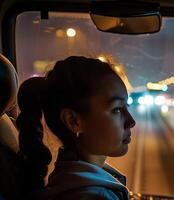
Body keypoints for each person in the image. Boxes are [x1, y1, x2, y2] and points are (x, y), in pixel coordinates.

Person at [16, 56, 136, 200]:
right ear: (73, 121)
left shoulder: (68, 179)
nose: (131, 121)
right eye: (116, 109)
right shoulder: (92, 195)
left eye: (126, 106)